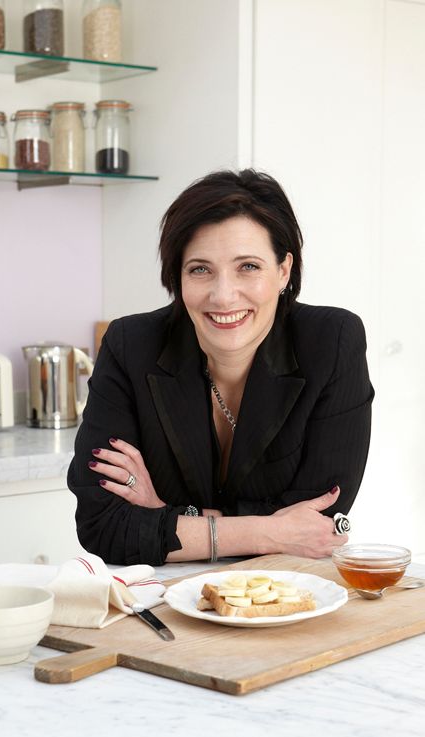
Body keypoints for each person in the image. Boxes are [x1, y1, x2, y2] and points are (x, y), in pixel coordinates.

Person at [67, 169, 374, 566]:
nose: (223, 295)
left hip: (283, 591)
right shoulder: (131, 345)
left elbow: (318, 523)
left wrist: (167, 514)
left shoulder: (332, 341)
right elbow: (103, 526)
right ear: (177, 277)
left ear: (283, 271)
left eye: (248, 266)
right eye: (200, 269)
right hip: (162, 598)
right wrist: (268, 530)